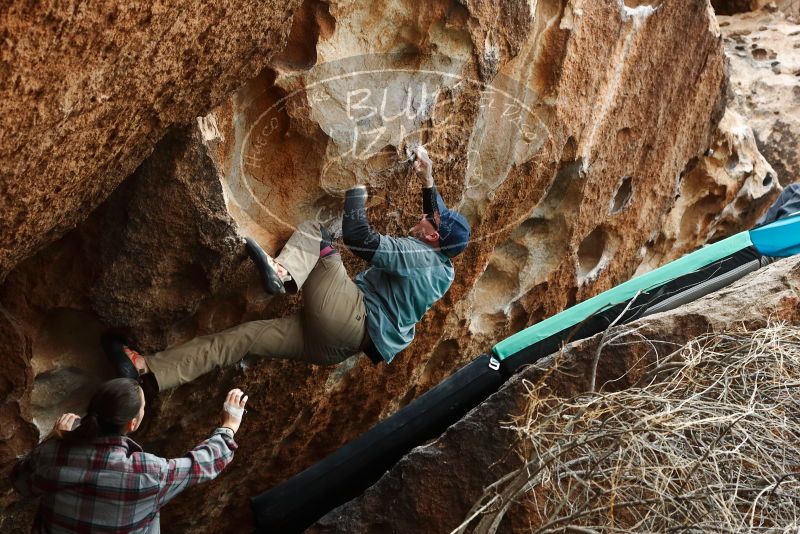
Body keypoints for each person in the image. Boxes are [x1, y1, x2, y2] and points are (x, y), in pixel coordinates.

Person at [103, 145, 471, 392]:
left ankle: (283, 275)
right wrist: (428, 177)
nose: (423, 216)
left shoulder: (418, 254)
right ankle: (148, 372)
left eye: (429, 220)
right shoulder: (443, 265)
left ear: (434, 236)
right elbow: (438, 219)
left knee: (316, 233)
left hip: (348, 316)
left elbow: (360, 238)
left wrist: (356, 187)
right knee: (240, 339)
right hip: (334, 346)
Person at [10, 378, 248, 533]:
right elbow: (201, 464)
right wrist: (229, 426)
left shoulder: (53, 455)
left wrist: (55, 438)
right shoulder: (149, 473)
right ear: (132, 424)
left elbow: (20, 483)